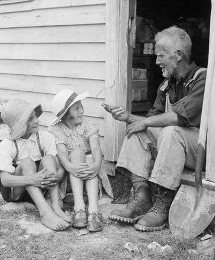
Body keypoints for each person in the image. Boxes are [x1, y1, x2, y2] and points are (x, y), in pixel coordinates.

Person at [104, 26, 207, 232]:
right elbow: (152, 121)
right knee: (137, 131)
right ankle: (141, 196)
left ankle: (162, 204)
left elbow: (180, 117)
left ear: (178, 55)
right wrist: (129, 117)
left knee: (170, 131)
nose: (157, 61)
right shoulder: (166, 85)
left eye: (161, 56)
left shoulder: (204, 79)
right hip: (176, 146)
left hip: (204, 151)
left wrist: (144, 122)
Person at [0, 99, 71, 231]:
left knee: (49, 158)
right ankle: (45, 213)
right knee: (27, 162)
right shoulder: (7, 145)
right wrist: (33, 179)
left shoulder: (44, 137)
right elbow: (5, 180)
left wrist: (57, 175)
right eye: (30, 118)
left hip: (42, 186)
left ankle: (55, 205)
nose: (37, 120)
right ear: (19, 125)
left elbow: (58, 166)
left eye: (35, 116)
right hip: (16, 191)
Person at [48, 89, 105, 232]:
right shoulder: (56, 130)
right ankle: (79, 207)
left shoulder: (88, 126)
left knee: (89, 158)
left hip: (89, 171)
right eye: (77, 108)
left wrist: (96, 165)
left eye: (81, 106)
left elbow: (96, 149)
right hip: (69, 174)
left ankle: (93, 210)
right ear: (66, 113)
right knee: (76, 153)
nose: (82, 110)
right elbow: (61, 153)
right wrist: (69, 167)